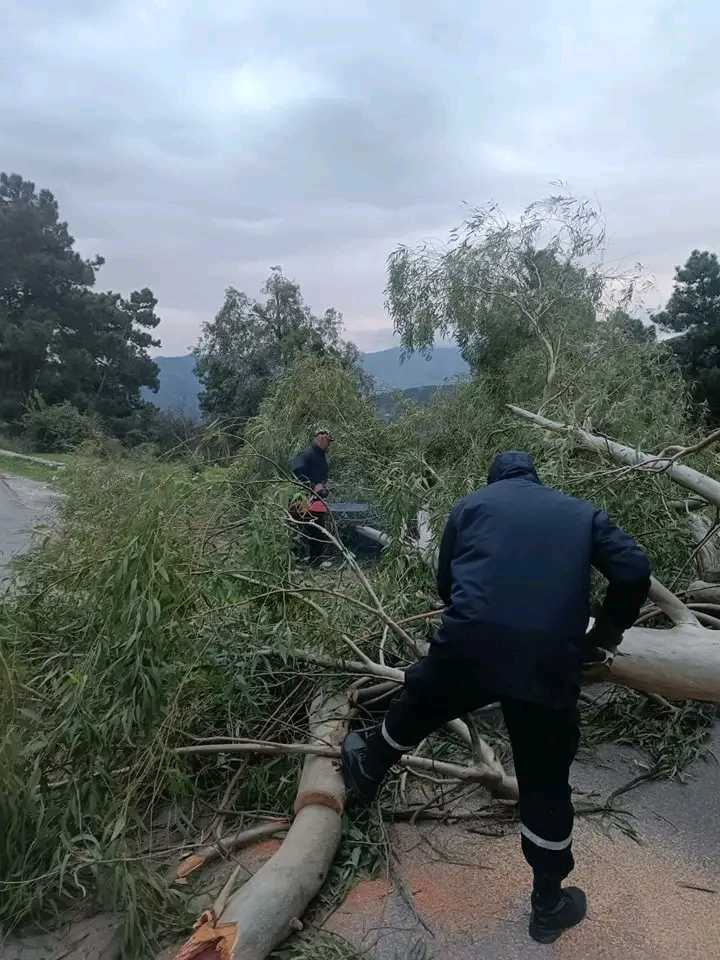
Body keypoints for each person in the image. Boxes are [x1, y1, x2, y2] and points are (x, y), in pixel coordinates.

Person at [341, 451, 650, 944]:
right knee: (545, 781)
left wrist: (477, 620)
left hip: (470, 642)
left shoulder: (469, 507)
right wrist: (606, 632)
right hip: (548, 661)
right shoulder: (579, 511)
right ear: (535, 477)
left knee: (424, 697)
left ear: (493, 481)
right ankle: (548, 904)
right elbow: (634, 570)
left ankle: (366, 767)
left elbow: (447, 585)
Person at [289, 429, 334, 565]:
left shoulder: (321, 456)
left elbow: (321, 475)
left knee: (318, 529)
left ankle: (315, 560)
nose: (328, 444)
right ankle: (297, 560)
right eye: (327, 441)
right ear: (320, 438)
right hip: (303, 499)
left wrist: (324, 486)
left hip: (317, 499)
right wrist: (313, 486)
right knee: (302, 530)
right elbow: (297, 472)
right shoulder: (306, 454)